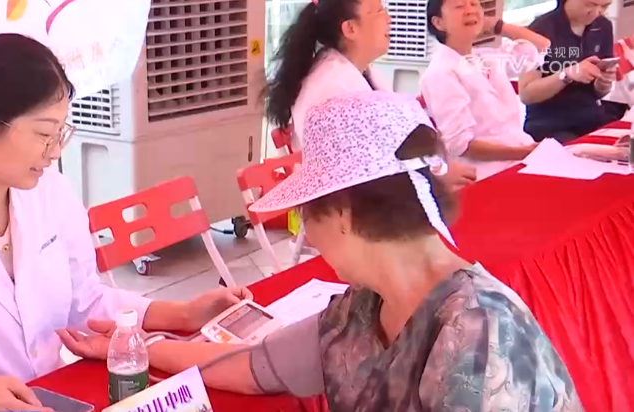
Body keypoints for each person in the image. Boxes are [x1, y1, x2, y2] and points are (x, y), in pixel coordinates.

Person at [59, 91, 583, 411]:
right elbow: (251, 365)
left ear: (344, 215)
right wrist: (135, 348)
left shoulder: (477, 332)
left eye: (307, 211)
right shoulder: (366, 306)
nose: (306, 231)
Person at [0, 33, 251, 412]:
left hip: (53, 396)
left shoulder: (49, 192)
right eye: (44, 134)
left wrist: (181, 315)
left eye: (61, 132)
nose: (55, 151)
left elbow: (86, 301)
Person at [266, 0, 477, 190]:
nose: (389, 18)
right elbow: (370, 166)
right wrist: (435, 175)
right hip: (350, 206)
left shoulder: (356, 70)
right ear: (350, 29)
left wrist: (435, 168)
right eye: (378, 11)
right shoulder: (333, 86)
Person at [422, 0, 550, 180]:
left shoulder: (486, 58)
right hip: (487, 172)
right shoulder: (441, 72)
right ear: (438, 22)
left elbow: (541, 46)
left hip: (522, 157)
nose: (470, 10)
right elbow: (461, 146)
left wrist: (498, 26)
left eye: (474, 4)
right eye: (459, 6)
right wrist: (523, 153)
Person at [519, 0, 616, 142]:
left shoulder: (603, 26)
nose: (597, 13)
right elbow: (526, 94)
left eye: (604, 6)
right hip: (549, 124)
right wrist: (566, 75)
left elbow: (599, 93)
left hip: (591, 117)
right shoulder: (539, 31)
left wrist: (603, 84)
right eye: (590, 4)